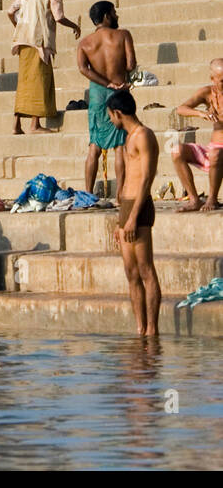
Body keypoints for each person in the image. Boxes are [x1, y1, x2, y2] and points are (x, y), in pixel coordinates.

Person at [107, 88, 161, 335]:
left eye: (110, 115)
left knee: (145, 269)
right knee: (131, 272)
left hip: (139, 207)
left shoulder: (143, 136)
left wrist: (132, 217)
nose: (110, 119)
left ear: (118, 113)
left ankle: (152, 329)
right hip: (126, 208)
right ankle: (140, 329)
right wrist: (121, 219)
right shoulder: (128, 137)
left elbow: (147, 179)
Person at [8, 0, 80, 135]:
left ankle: (17, 125)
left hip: (23, 39)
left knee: (24, 81)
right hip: (40, 41)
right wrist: (75, 26)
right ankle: (35, 124)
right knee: (39, 80)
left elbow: (11, 11)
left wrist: (19, 26)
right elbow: (59, 17)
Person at [77, 0, 137, 197]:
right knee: (120, 145)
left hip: (97, 93)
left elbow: (83, 69)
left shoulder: (85, 43)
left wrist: (104, 82)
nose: (116, 16)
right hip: (119, 91)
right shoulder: (123, 35)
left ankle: (87, 194)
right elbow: (130, 65)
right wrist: (114, 82)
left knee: (94, 144)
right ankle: (120, 195)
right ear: (105, 16)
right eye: (114, 12)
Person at [171, 58, 223, 212]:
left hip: (218, 153)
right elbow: (181, 109)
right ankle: (194, 200)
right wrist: (200, 113)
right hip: (214, 149)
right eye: (222, 81)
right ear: (212, 79)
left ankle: (212, 199)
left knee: (215, 153)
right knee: (176, 150)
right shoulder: (207, 92)